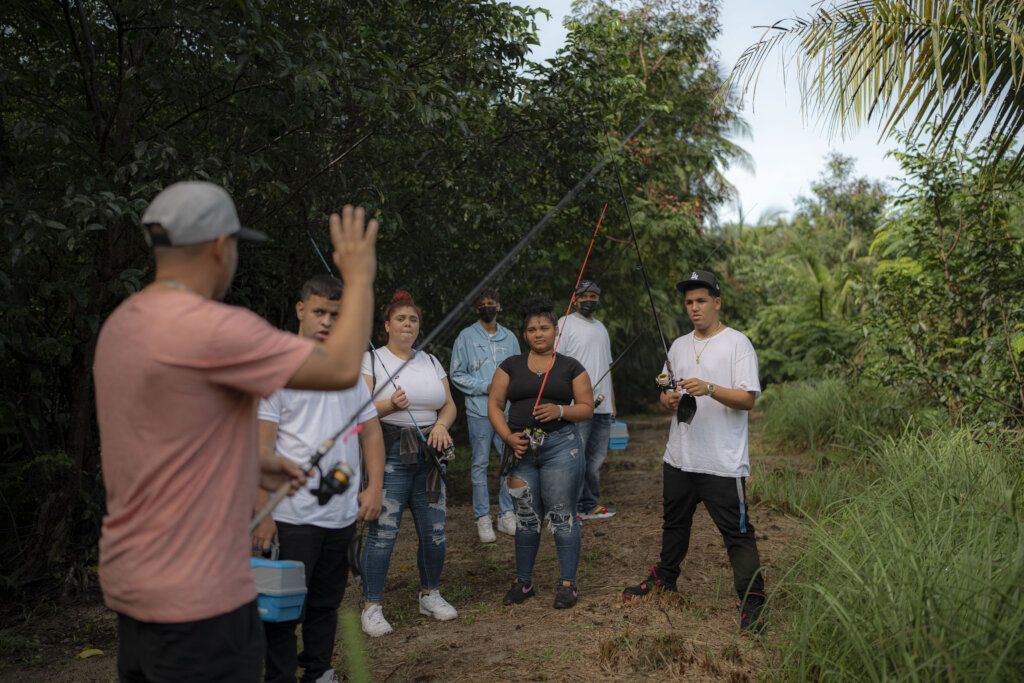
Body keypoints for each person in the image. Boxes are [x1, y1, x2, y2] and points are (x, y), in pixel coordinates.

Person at [93, 181, 378, 682]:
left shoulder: (123, 323)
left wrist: (249, 462)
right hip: (200, 595)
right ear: (220, 246)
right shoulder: (213, 328)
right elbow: (338, 368)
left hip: (134, 583)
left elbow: (163, 437)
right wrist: (358, 278)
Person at [251, 274, 387, 683]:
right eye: (319, 312)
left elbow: (372, 432)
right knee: (281, 606)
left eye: (335, 315)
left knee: (326, 602)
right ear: (300, 310)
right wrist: (264, 513)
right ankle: (279, 677)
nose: (327, 321)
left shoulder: (348, 372)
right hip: (289, 515)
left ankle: (318, 672)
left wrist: (375, 486)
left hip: (341, 514)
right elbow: (261, 450)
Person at [621, 270, 767, 635]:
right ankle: (665, 580)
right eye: (689, 302)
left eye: (701, 300)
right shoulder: (678, 345)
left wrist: (710, 387)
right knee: (674, 524)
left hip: (723, 462)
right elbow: (665, 389)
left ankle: (752, 601)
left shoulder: (738, 344)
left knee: (737, 534)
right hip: (681, 456)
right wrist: (667, 398)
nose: (694, 308)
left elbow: (747, 399)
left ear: (717, 302)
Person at [359, 290, 459, 637]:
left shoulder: (430, 361)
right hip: (390, 454)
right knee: (383, 533)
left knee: (434, 533)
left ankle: (429, 594)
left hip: (430, 456)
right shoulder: (371, 361)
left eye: (413, 319)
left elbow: (450, 405)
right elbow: (357, 411)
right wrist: (389, 406)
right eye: (400, 318)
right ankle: (372, 606)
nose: (407, 323)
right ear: (386, 324)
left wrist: (443, 425)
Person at [488, 296, 594, 610]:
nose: (538, 334)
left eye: (544, 327)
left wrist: (561, 409)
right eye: (532, 329)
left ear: (555, 331)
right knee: (525, 518)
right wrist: (508, 437)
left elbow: (586, 409)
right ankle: (523, 582)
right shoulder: (510, 366)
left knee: (562, 514)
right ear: (525, 333)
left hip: (561, 448)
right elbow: (494, 405)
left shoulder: (571, 367)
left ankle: (567, 585)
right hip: (521, 450)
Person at [449, 287, 521, 542]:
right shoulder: (466, 337)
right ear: (477, 309)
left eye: (491, 303)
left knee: (509, 462)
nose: (487, 307)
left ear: (498, 307)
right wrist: (485, 386)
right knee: (479, 464)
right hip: (479, 412)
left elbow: (518, 370)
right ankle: (482, 517)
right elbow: (456, 374)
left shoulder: (510, 338)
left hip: (506, 412)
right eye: (482, 304)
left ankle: (506, 513)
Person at [556, 280, 616, 520]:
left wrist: (613, 402)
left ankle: (589, 505)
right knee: (575, 457)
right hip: (578, 406)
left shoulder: (601, 328)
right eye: (584, 296)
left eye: (593, 296)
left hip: (603, 406)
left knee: (595, 460)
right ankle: (571, 507)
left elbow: (608, 367)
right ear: (575, 299)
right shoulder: (564, 323)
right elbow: (557, 365)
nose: (589, 300)